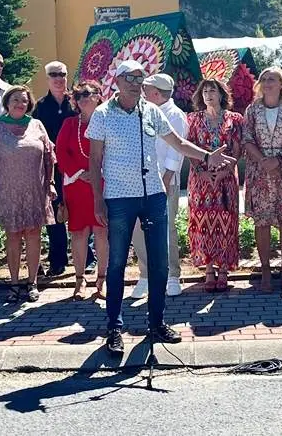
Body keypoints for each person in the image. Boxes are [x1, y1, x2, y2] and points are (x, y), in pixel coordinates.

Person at [87, 59, 236, 355]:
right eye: (130, 77)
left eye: (140, 78)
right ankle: (114, 328)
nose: (136, 83)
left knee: (159, 263)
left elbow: (178, 142)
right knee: (117, 264)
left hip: (153, 194)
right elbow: (94, 160)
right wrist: (97, 199)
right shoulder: (103, 114)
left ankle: (156, 323)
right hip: (118, 197)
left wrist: (207, 156)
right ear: (117, 81)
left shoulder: (151, 111)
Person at [0, 86, 57, 304]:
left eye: (24, 101)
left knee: (34, 235)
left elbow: (49, 155)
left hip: (35, 191)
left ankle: (32, 283)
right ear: (7, 102)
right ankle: (14, 283)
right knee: (13, 236)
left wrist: (51, 183)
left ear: (29, 104)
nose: (19, 104)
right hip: (9, 192)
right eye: (15, 100)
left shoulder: (36, 125)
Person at [242, 66, 282, 293]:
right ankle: (266, 272)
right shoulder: (252, 110)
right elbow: (247, 139)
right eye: (264, 79)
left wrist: (278, 159)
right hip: (260, 173)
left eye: (273, 79)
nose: (268, 83)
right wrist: (263, 161)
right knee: (262, 222)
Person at [186, 79, 244, 292]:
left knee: (226, 221)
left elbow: (238, 150)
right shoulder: (192, 119)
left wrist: (225, 171)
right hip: (200, 179)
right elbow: (188, 147)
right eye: (205, 92)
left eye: (213, 91)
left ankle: (224, 270)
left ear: (221, 94)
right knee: (203, 222)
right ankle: (209, 269)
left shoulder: (235, 119)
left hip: (226, 178)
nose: (208, 95)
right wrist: (201, 171)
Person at [133, 73, 187, 298]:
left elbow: (176, 151)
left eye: (146, 89)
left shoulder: (175, 114)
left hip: (165, 183)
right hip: (139, 182)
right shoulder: (142, 110)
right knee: (138, 230)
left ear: (156, 93)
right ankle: (145, 275)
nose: (142, 92)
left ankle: (172, 275)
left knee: (166, 229)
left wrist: (164, 180)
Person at [56, 80, 109, 300]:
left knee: (101, 232)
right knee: (78, 233)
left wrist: (97, 173)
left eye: (89, 93)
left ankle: (102, 280)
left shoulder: (108, 121)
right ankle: (79, 280)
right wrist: (80, 173)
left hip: (104, 183)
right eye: (79, 95)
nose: (84, 98)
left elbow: (116, 151)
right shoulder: (69, 124)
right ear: (75, 101)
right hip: (76, 185)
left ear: (99, 96)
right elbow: (60, 152)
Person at [33, 60, 82, 278]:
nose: (59, 78)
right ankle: (58, 260)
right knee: (54, 214)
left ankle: (87, 258)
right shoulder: (41, 107)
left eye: (62, 74)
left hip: (77, 166)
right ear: (47, 78)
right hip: (52, 168)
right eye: (54, 75)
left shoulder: (77, 102)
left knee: (81, 211)